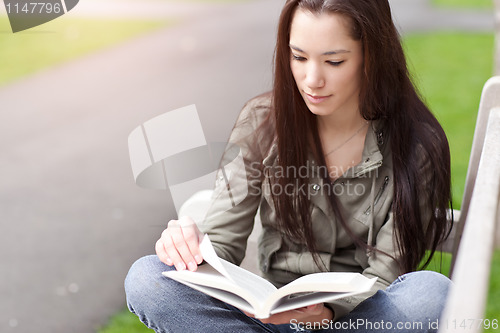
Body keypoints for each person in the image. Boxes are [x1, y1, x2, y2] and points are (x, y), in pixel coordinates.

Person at [125, 0, 453, 332]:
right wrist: (191, 250)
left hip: (357, 322)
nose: (312, 80)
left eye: (334, 61)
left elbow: (387, 273)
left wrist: (326, 312)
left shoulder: (415, 146)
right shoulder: (261, 123)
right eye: (298, 57)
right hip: (269, 321)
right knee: (147, 277)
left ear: (372, 56)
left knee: (430, 292)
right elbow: (223, 241)